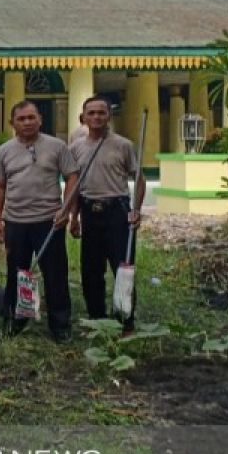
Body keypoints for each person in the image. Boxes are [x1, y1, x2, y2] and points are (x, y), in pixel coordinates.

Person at [0, 101, 79, 341]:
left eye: (31, 117)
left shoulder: (56, 146)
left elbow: (72, 176)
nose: (27, 122)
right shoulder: (4, 151)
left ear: (40, 119)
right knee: (17, 273)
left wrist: (65, 208)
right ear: (13, 124)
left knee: (55, 274)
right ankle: (16, 320)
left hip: (49, 221)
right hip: (16, 221)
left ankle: (60, 325)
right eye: (21, 119)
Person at [69, 95, 144, 333]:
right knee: (91, 270)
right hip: (90, 211)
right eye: (91, 113)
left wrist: (136, 210)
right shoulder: (75, 148)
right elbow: (75, 186)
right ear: (83, 118)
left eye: (101, 112)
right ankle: (97, 320)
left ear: (109, 116)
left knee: (123, 269)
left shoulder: (123, 145)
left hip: (117, 211)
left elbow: (138, 179)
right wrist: (74, 217)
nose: (96, 117)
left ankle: (125, 321)